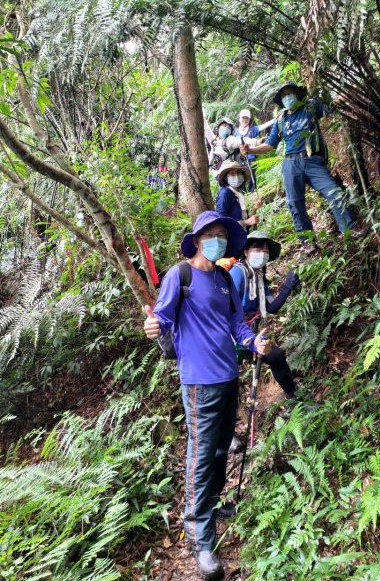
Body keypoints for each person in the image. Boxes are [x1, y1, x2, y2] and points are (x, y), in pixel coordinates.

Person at [143, 211, 270, 580]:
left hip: (229, 374)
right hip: (199, 380)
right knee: (200, 454)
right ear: (197, 240)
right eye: (210, 234)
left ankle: (211, 506)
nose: (217, 240)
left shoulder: (225, 279)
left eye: (221, 235)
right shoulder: (179, 276)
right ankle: (200, 537)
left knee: (218, 448)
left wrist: (253, 341)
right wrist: (152, 326)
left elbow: (235, 325)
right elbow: (161, 320)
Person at [240, 81, 366, 254]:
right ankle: (308, 242)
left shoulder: (310, 108)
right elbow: (270, 145)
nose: (287, 98)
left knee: (333, 192)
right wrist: (250, 150)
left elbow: (331, 104)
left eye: (290, 93)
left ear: (298, 94)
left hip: (312, 160)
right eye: (284, 96)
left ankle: (349, 229)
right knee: (295, 204)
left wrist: (350, 90)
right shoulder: (281, 118)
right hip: (290, 163)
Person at [229, 231, 300, 399]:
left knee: (275, 357)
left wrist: (287, 287)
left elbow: (271, 307)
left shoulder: (258, 277)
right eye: (257, 248)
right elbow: (225, 307)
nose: (262, 253)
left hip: (248, 334)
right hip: (231, 334)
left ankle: (295, 397)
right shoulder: (238, 273)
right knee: (227, 378)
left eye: (265, 250)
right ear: (245, 251)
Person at [234, 109, 277, 192]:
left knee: (251, 177)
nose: (245, 120)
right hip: (239, 159)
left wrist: (276, 118)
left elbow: (264, 125)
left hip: (250, 157)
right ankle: (242, 194)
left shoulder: (252, 130)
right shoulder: (235, 132)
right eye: (243, 118)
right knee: (240, 178)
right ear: (239, 119)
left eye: (247, 118)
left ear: (249, 120)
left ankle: (252, 193)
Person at [215, 161, 262, 230]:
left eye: (238, 173)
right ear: (226, 178)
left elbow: (246, 223)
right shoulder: (225, 193)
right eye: (232, 173)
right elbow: (222, 223)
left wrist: (255, 208)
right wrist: (246, 222)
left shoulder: (239, 193)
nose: (236, 176)